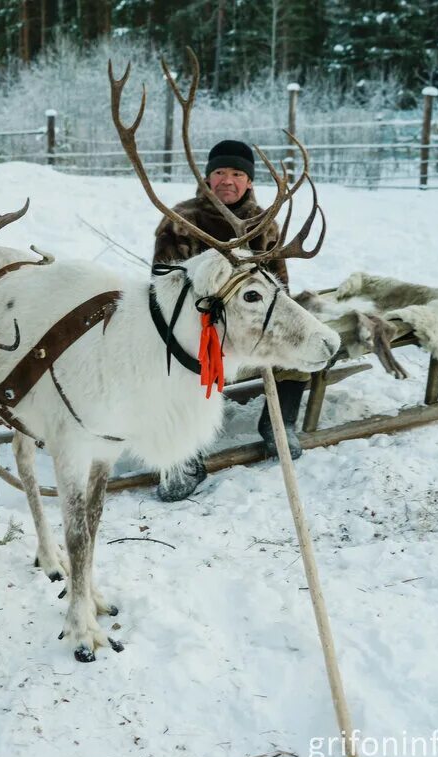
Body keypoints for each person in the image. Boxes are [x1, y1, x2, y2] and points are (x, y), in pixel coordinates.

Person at [152, 139, 308, 502]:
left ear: (249, 181)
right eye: (220, 172)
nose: (228, 180)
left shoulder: (264, 222)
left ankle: (278, 422)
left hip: (252, 323)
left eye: (237, 173)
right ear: (207, 177)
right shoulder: (181, 219)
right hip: (196, 326)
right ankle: (184, 455)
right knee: (178, 372)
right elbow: (164, 284)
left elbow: (280, 284)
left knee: (296, 340)